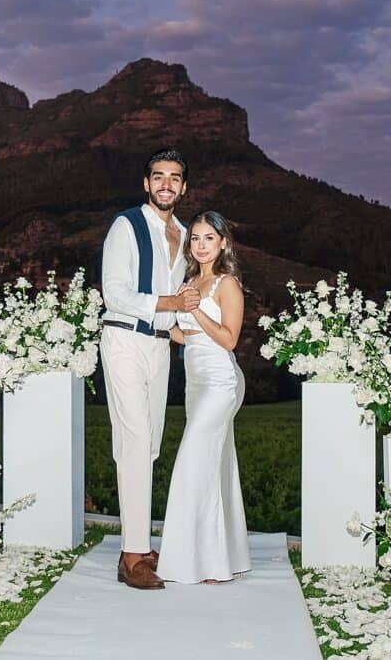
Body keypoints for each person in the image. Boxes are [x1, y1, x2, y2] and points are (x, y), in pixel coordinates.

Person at [100, 148, 200, 590]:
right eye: (158, 176)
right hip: (123, 339)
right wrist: (170, 304)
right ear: (146, 183)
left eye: (174, 178)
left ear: (183, 187)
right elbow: (114, 293)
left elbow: (178, 307)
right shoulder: (126, 225)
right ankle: (131, 555)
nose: (166, 184)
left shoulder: (183, 233)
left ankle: (140, 542)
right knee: (136, 440)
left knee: (150, 444)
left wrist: (190, 333)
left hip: (160, 347)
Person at [156, 211, 252, 584]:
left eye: (208, 238)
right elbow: (186, 334)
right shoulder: (189, 282)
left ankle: (205, 561)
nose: (200, 245)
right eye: (194, 238)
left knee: (194, 459)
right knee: (215, 462)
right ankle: (222, 555)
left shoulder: (227, 284)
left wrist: (195, 309)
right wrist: (164, 327)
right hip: (194, 383)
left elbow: (228, 339)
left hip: (221, 382)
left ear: (223, 243)